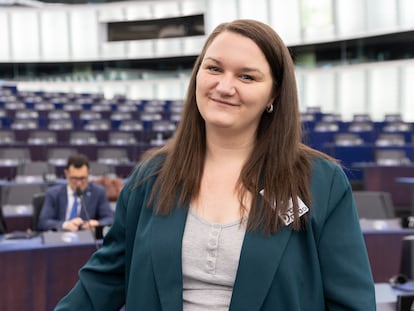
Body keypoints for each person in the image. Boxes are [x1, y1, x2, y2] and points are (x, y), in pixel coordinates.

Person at [54, 19, 375, 310]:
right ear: (197, 76)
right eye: (214, 69)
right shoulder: (152, 176)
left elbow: (352, 303)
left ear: (274, 94)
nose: (224, 86)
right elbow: (103, 282)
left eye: (247, 76)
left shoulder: (320, 182)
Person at [38, 153, 114, 232]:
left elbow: (110, 219)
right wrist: (65, 225)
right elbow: (43, 222)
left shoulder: (98, 192)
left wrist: (97, 223)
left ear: (88, 173)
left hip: (86, 239)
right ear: (66, 174)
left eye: (82, 178)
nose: (79, 183)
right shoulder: (53, 193)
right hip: (59, 239)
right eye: (74, 178)